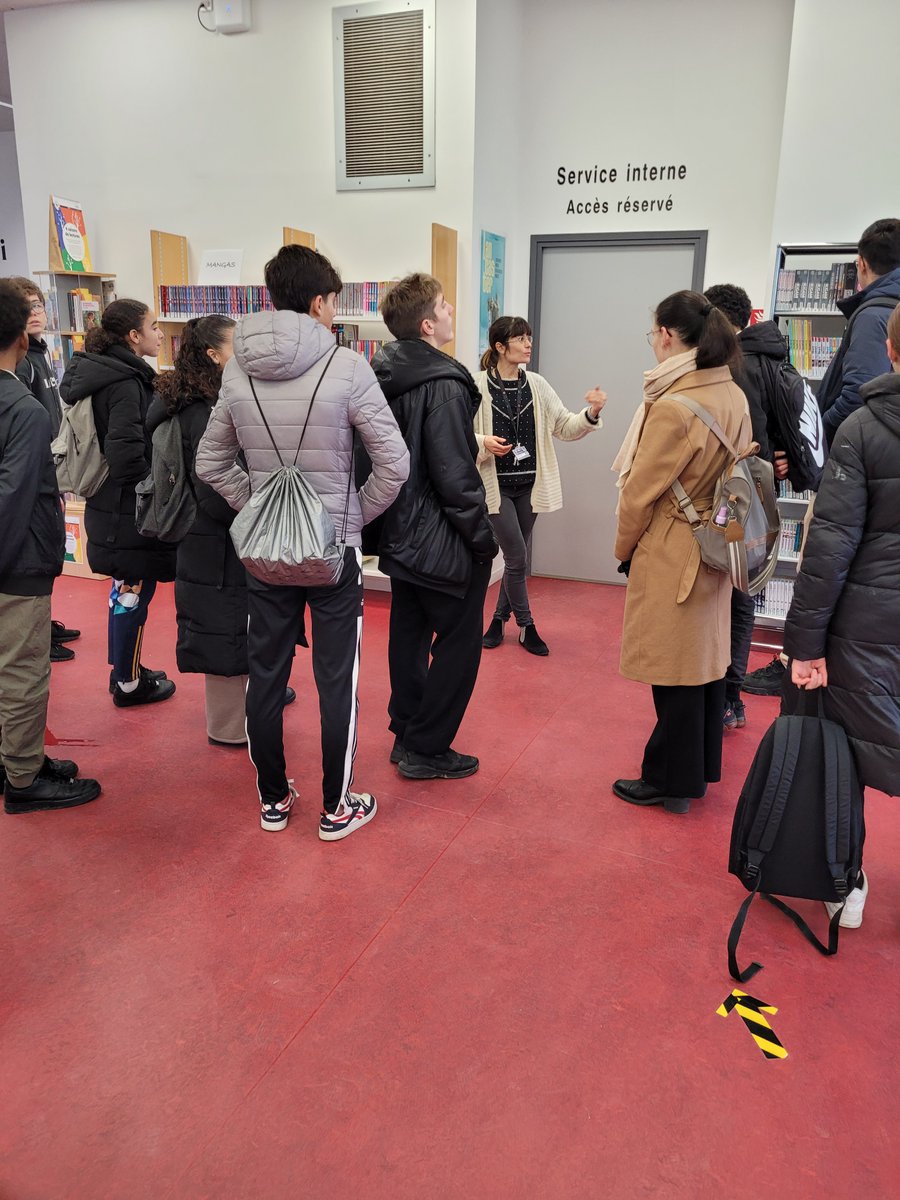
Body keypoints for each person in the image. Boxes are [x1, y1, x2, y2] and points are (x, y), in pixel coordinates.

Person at [196, 245, 409, 837]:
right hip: (332, 553)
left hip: (265, 554)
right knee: (336, 677)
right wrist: (346, 519)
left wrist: (259, 507)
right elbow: (394, 464)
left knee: (265, 673)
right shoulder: (348, 366)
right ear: (319, 301)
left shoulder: (237, 368)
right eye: (334, 301)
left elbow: (210, 462)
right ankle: (336, 807)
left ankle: (272, 800)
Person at [783, 300, 900, 929]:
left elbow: (829, 547)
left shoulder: (861, 428)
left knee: (846, 753)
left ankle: (845, 884)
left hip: (866, 625)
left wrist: (803, 646)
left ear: (890, 350)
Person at [612, 290, 751, 815]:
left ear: (668, 336)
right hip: (718, 541)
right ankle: (696, 769)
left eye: (654, 334)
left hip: (674, 547)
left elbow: (639, 493)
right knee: (705, 665)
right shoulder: (731, 394)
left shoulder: (672, 406)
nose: (653, 343)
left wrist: (624, 546)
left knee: (673, 673)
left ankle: (668, 779)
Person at [371, 273, 497, 780]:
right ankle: (427, 747)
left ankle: (406, 731)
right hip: (440, 535)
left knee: (407, 631)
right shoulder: (443, 383)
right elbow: (453, 474)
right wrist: (481, 539)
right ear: (427, 324)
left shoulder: (382, 374)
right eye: (444, 305)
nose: (452, 311)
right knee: (459, 643)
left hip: (399, 531)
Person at [149, 316, 296, 748]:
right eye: (239, 345)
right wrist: (260, 501)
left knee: (234, 627)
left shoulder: (203, 400)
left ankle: (247, 707)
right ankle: (230, 728)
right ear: (214, 355)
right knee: (227, 632)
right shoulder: (203, 411)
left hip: (215, 539)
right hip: (217, 541)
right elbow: (214, 488)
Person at [0, 279, 101, 814]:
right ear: (21, 334)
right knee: (22, 670)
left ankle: (17, 758)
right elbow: (12, 498)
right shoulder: (24, 409)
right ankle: (22, 778)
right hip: (15, 562)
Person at [60, 299, 176, 706]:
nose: (160, 334)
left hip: (109, 504)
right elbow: (127, 451)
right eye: (153, 326)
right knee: (133, 591)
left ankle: (125, 671)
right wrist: (155, 486)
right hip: (127, 509)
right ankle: (127, 683)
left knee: (126, 591)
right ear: (133, 336)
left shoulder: (105, 373)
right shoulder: (126, 382)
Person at [474, 315, 606, 656]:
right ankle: (527, 625)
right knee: (517, 555)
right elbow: (461, 432)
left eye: (529, 337)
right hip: (496, 486)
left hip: (530, 485)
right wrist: (483, 441)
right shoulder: (477, 386)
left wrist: (590, 413)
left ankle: (498, 619)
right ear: (500, 347)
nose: (528, 343)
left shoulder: (536, 384)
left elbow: (564, 425)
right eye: (520, 339)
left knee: (516, 560)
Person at [703, 283, 789, 725]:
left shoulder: (733, 367)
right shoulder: (773, 357)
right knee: (744, 590)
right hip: (761, 492)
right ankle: (731, 696)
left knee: (727, 593)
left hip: (732, 496)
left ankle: (724, 696)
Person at [9, 275, 81, 663]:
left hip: (52, 460)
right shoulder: (21, 364)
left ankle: (48, 618)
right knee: (39, 546)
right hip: (35, 466)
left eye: (39, 306)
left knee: (53, 542)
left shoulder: (42, 352)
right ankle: (39, 630)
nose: (36, 313)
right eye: (28, 307)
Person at [819, 218, 900, 446]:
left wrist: (819, 435)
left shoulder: (873, 317)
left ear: (862, 264)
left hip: (868, 452)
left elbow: (858, 394)